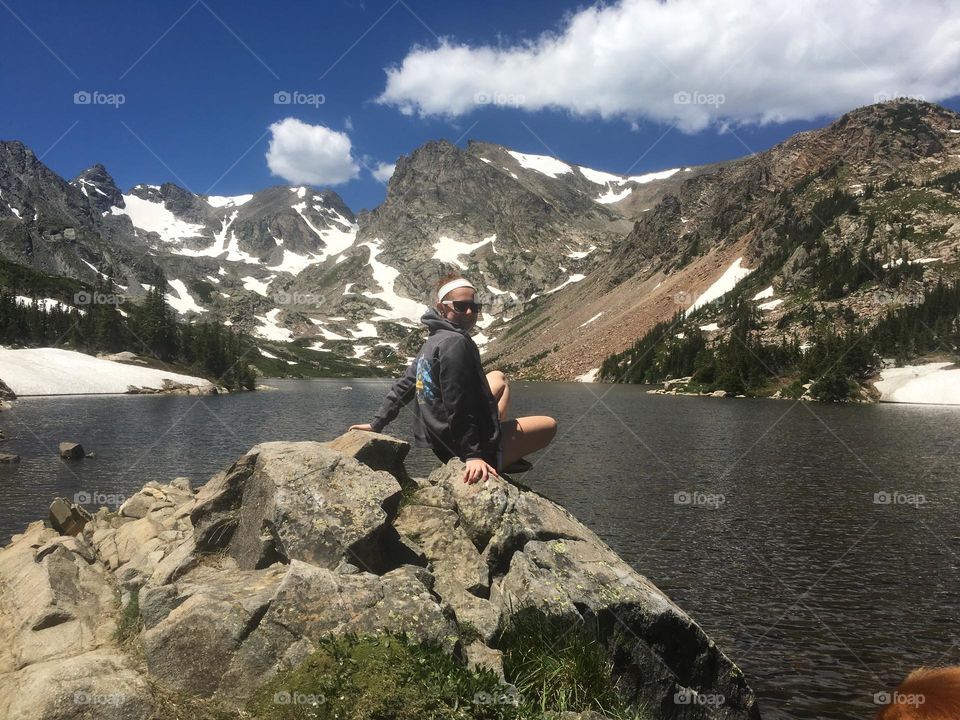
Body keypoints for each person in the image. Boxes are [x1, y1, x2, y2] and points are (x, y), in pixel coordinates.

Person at [348, 273, 557, 484]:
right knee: (549, 425)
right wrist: (472, 455)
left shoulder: (435, 339)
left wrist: (377, 423)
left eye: (475, 306)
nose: (469, 312)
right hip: (457, 443)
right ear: (441, 307)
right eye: (460, 306)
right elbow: (458, 402)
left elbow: (406, 385)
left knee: (498, 377)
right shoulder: (456, 343)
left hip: (439, 441)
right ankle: (491, 455)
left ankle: (494, 437)